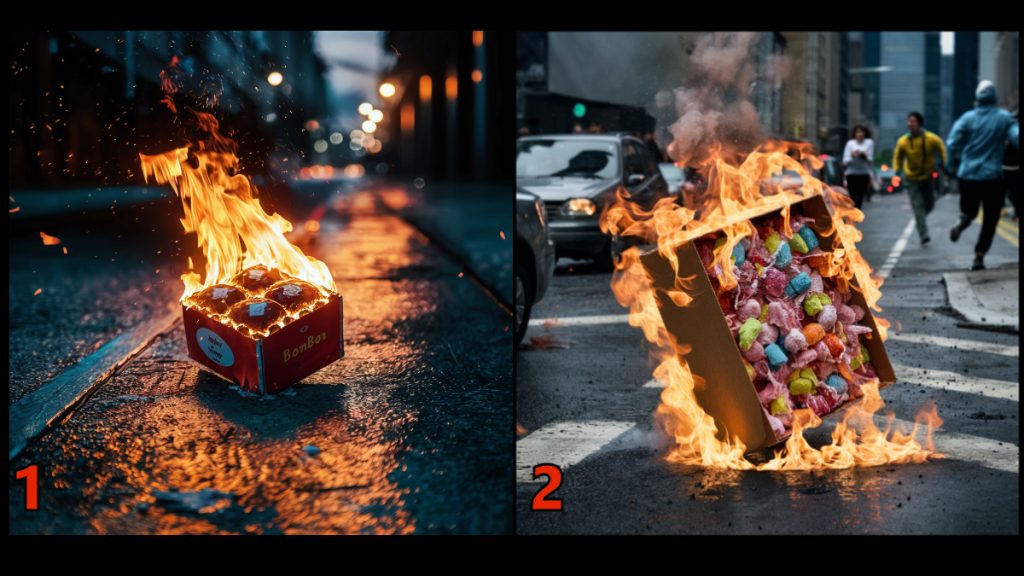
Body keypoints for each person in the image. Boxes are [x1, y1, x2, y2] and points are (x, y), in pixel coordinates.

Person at [947, 81, 1020, 270]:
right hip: (993, 177)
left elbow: (951, 143)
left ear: (977, 97)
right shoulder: (1004, 118)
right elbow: (1016, 138)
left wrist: (952, 165)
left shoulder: (967, 118)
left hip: (968, 175)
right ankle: (979, 256)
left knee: (970, 211)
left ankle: (962, 222)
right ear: (994, 97)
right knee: (990, 219)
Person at [892, 112, 947, 245]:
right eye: (909, 121)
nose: (910, 123)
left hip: (928, 177)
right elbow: (897, 157)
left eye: (913, 121)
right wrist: (897, 171)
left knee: (929, 204)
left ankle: (920, 217)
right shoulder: (903, 141)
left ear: (920, 123)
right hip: (911, 178)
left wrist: (943, 163)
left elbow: (942, 149)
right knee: (917, 205)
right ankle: (923, 234)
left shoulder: (931, 138)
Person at [842, 124, 874, 209]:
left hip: (864, 174)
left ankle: (857, 213)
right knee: (852, 197)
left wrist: (864, 156)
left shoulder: (869, 143)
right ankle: (854, 214)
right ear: (854, 134)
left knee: (860, 198)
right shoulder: (850, 143)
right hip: (851, 175)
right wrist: (853, 156)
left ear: (865, 133)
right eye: (858, 132)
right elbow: (845, 161)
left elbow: (870, 160)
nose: (860, 134)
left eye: (862, 132)